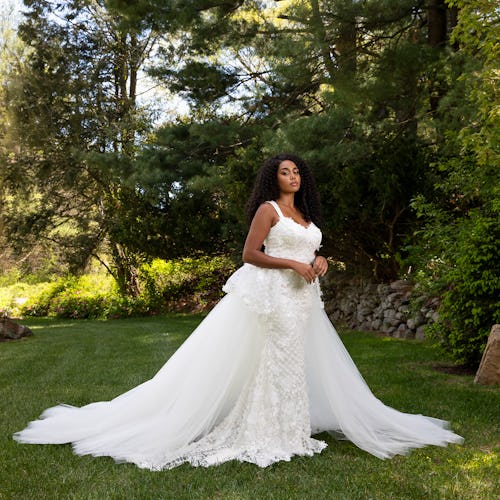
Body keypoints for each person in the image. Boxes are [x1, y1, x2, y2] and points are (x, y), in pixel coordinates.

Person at [14, 153, 463, 469]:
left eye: (297, 172)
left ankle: (290, 427)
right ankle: (265, 428)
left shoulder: (305, 218)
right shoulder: (268, 210)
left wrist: (320, 261)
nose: (293, 176)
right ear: (273, 179)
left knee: (294, 361)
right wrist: (289, 261)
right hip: (271, 293)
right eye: (285, 172)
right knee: (271, 358)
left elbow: (312, 252)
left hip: (302, 297)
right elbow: (250, 254)